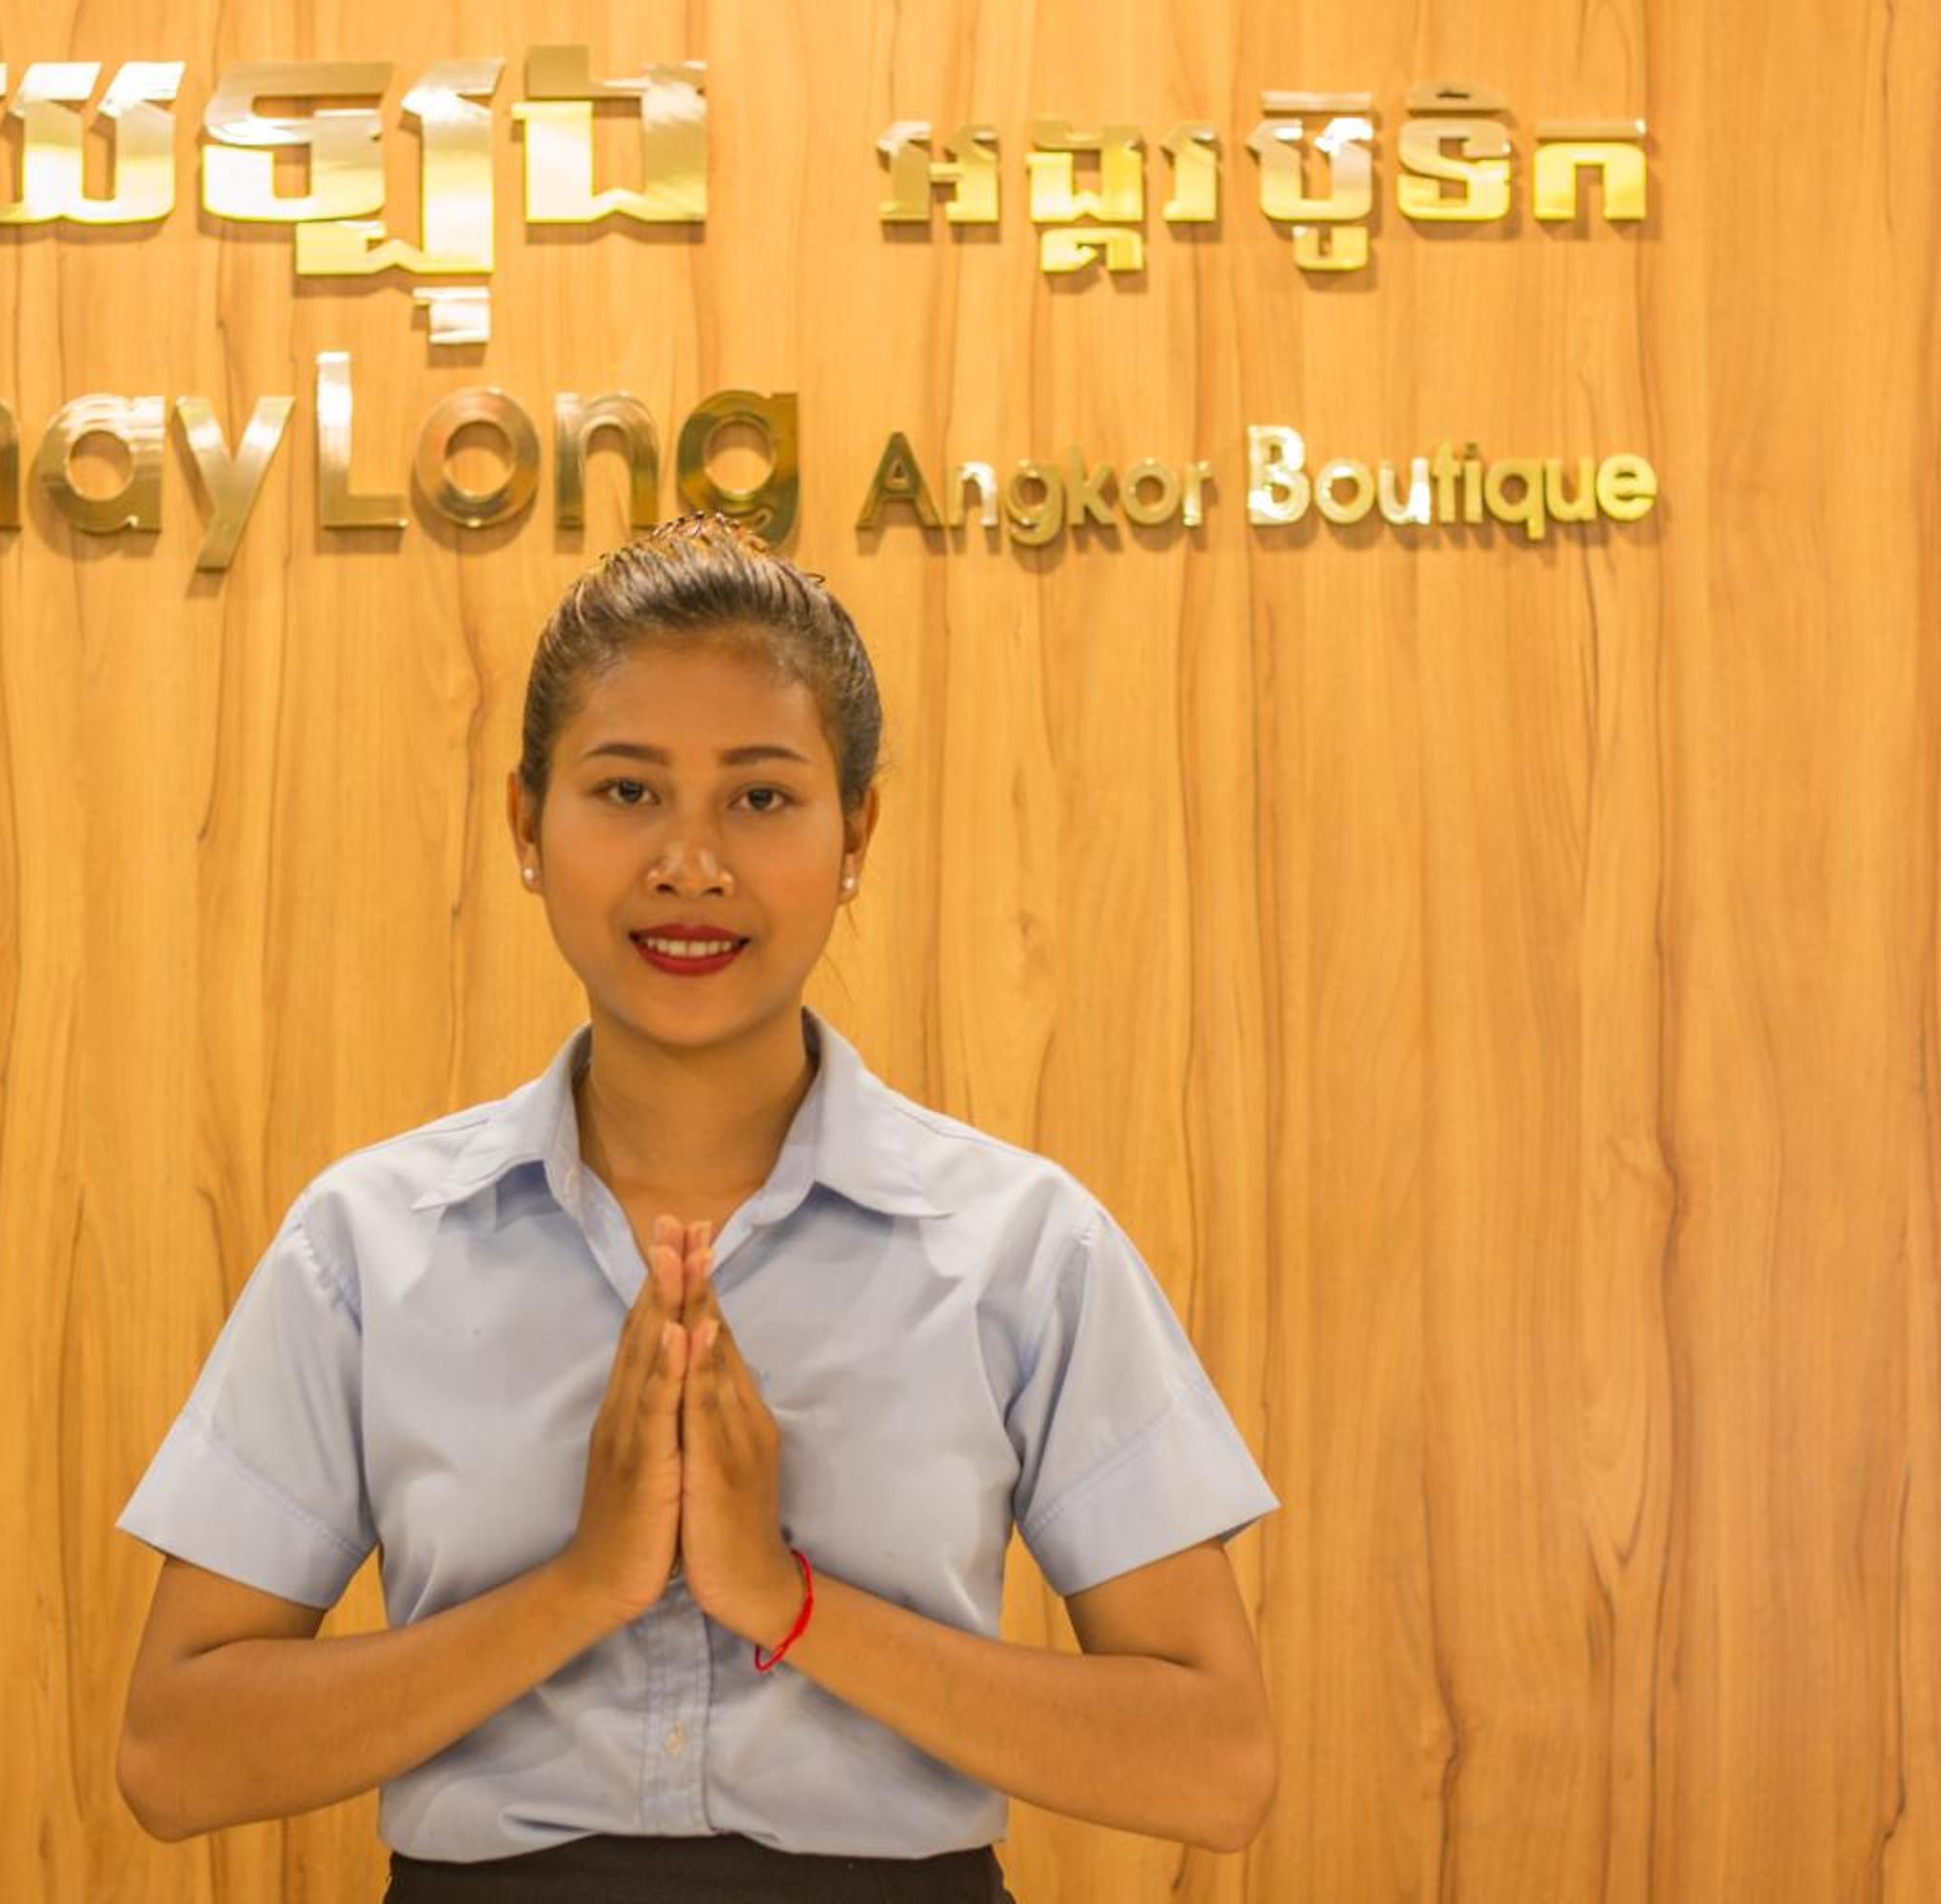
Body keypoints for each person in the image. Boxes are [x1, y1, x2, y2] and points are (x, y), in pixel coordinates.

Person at [112, 514, 1282, 1901]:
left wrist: (785, 1601)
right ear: (525, 825)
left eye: (762, 799)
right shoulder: (365, 1242)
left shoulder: (1025, 1247)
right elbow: (175, 1756)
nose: (690, 863)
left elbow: (1216, 1766)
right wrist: (583, 1587)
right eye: (625, 791)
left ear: (857, 832)